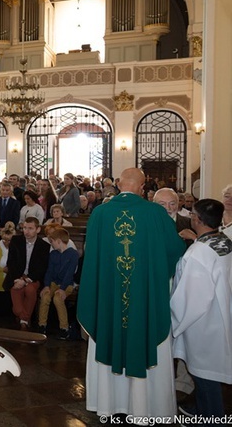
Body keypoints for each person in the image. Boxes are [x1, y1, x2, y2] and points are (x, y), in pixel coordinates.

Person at [77, 167, 186, 419]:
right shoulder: (155, 213)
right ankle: (147, 407)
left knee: (109, 330)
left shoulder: (100, 214)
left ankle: (108, 404)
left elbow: (91, 258)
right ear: (143, 185)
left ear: (118, 183)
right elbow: (174, 252)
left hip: (109, 299)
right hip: (144, 298)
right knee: (145, 332)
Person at [170, 199, 232, 421]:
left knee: (206, 378)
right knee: (208, 376)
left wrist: (174, 319)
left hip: (203, 324)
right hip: (221, 317)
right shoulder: (224, 241)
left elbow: (191, 298)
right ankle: (200, 411)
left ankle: (212, 420)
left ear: (197, 219)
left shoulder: (197, 253)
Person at [3, 217, 50, 330]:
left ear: (38, 230)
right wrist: (17, 279)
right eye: (24, 228)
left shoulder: (44, 246)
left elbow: (41, 268)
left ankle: (23, 322)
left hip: (32, 278)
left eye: (30, 228)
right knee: (17, 310)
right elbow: (11, 262)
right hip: (16, 277)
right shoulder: (16, 240)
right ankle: (25, 317)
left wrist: (25, 280)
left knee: (30, 290)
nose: (26, 231)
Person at [36, 227, 78, 339]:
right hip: (54, 282)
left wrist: (63, 288)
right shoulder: (53, 254)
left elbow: (69, 274)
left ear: (59, 241)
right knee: (45, 296)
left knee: (58, 298)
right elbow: (49, 271)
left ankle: (64, 328)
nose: (52, 244)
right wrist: (46, 285)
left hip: (67, 284)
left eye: (52, 242)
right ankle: (42, 325)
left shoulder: (73, 254)